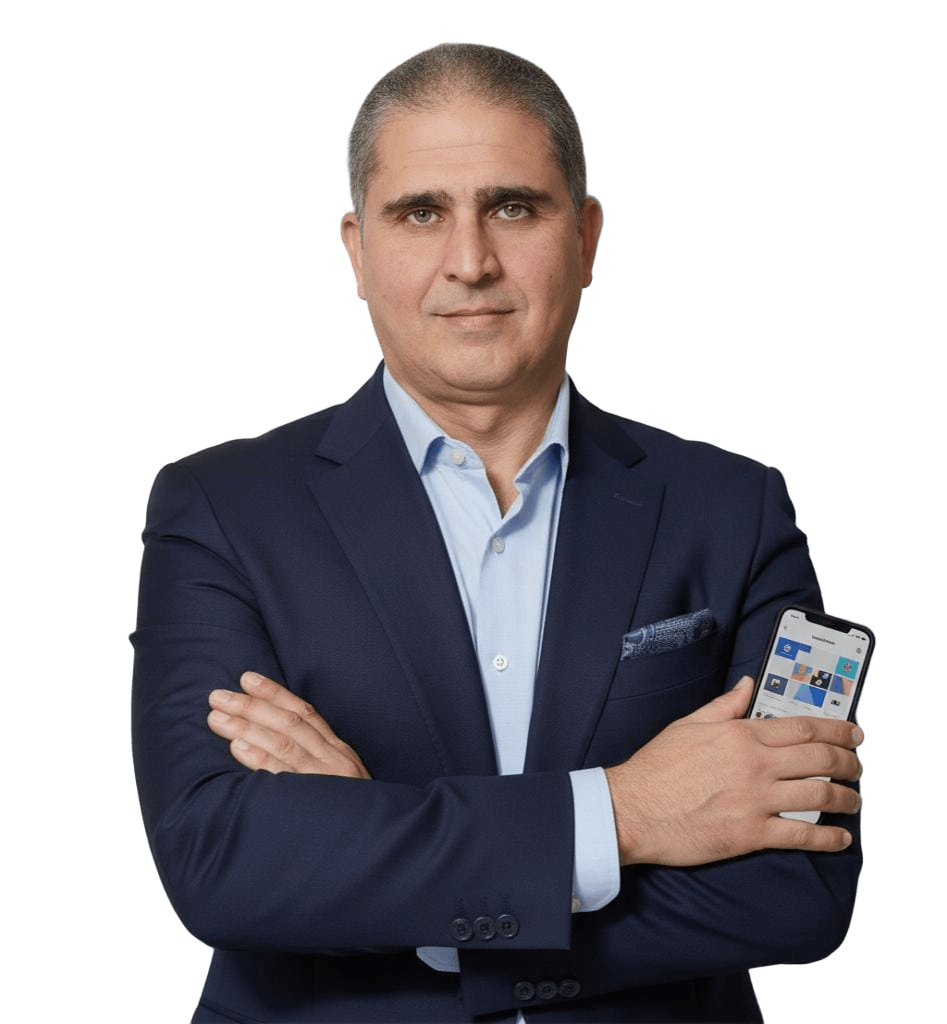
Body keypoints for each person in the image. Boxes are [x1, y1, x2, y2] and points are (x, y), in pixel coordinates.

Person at [131, 42, 863, 1024]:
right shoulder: (220, 508)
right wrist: (628, 812)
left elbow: (796, 886)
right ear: (355, 249)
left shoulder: (732, 507)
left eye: (513, 208)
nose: (470, 262)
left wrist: (377, 855)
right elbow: (223, 861)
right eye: (419, 213)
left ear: (586, 238)